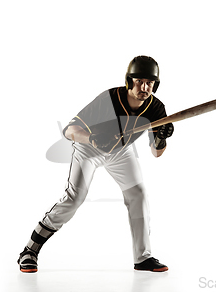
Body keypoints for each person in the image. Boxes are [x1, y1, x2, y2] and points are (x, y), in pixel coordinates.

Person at [17, 56, 174, 273]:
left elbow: (157, 153)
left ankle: (143, 257)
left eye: (150, 82)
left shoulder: (156, 107)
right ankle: (29, 250)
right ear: (129, 80)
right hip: (89, 148)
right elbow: (69, 130)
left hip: (121, 151)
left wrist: (161, 139)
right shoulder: (109, 99)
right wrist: (91, 139)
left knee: (138, 194)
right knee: (75, 198)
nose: (144, 87)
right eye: (139, 81)